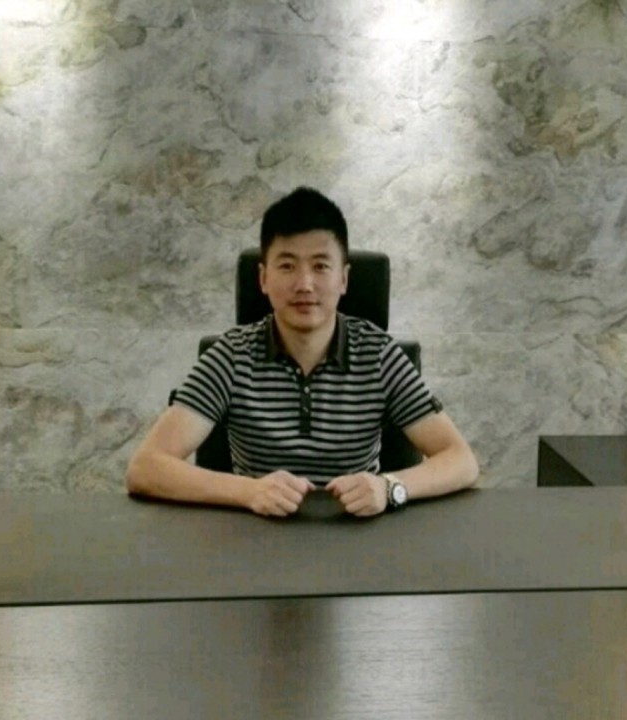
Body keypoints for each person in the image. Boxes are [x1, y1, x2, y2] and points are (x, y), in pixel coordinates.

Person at [126, 187, 478, 517]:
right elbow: (145, 467)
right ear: (263, 278)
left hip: (358, 536)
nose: (305, 284)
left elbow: (461, 461)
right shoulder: (230, 356)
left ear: (344, 279)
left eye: (320, 266)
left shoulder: (379, 355)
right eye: (287, 266)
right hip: (255, 537)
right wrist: (248, 491)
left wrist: (389, 487)